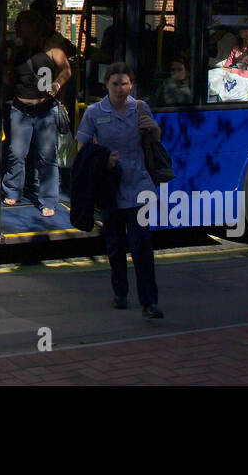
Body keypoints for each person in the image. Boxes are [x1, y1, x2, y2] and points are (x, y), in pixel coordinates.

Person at [75, 62, 164, 318]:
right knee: (115, 245)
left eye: (124, 84)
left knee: (142, 244)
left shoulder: (140, 107)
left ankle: (149, 302)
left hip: (139, 185)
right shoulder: (94, 112)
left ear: (131, 85)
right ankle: (120, 293)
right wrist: (104, 160)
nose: (120, 89)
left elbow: (155, 140)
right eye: (115, 84)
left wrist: (153, 129)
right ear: (106, 85)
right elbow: (81, 149)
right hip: (110, 187)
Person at [2, 10, 71, 217]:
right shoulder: (18, 51)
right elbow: (9, 79)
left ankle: (48, 200)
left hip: (45, 110)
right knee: (16, 153)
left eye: (20, 24)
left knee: (47, 156)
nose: (17, 28)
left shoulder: (52, 49)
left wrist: (57, 84)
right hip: (20, 109)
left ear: (32, 26)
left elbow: (66, 70)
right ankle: (13, 190)